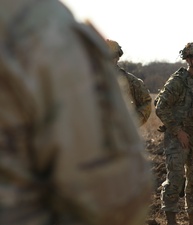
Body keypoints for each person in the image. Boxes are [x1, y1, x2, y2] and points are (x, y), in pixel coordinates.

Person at [0, 1, 152, 225]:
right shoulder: (42, 28)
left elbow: (146, 104)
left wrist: (135, 122)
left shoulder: (132, 81)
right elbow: (114, 195)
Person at [155, 41, 193, 225]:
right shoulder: (178, 81)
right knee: (175, 179)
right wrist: (177, 131)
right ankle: (171, 220)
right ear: (188, 59)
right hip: (178, 140)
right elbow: (161, 107)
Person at [106, 39, 152, 126]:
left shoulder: (131, 81)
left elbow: (146, 103)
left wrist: (133, 123)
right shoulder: (85, 79)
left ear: (117, 57)